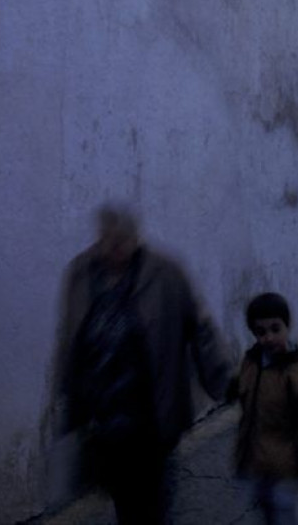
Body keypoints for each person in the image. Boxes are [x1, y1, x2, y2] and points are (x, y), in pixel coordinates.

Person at [54, 203, 232, 524]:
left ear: (137, 237)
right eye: (108, 238)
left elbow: (200, 328)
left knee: (150, 498)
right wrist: (66, 394)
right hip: (103, 416)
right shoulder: (81, 272)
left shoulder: (165, 273)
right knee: (123, 495)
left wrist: (224, 379)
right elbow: (68, 337)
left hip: (152, 412)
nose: (115, 246)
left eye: (122, 239)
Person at [234, 292, 298, 525]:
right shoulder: (253, 362)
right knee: (266, 513)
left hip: (286, 467)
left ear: (287, 327)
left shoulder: (296, 374)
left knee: (283, 517)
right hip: (257, 462)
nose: (269, 337)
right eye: (261, 332)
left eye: (276, 329)